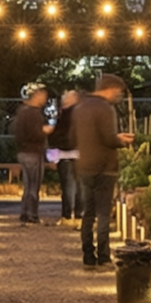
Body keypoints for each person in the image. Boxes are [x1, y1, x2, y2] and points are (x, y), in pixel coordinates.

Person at [71, 73, 136, 269]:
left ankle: (88, 256)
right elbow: (108, 139)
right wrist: (122, 140)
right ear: (109, 88)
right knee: (103, 214)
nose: (119, 96)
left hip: (84, 166)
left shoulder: (80, 108)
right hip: (105, 168)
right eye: (118, 92)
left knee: (87, 214)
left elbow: (76, 136)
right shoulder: (105, 109)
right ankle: (104, 257)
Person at [10, 85, 51, 225]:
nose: (44, 99)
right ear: (37, 97)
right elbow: (36, 134)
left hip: (22, 152)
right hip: (33, 152)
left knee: (28, 185)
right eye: (43, 96)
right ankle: (31, 214)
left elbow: (15, 131)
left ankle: (25, 212)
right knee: (34, 185)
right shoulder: (34, 114)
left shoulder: (21, 112)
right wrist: (45, 131)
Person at [51, 89, 83, 226]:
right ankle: (79, 215)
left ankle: (67, 216)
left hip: (65, 154)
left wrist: (52, 156)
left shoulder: (63, 116)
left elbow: (55, 136)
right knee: (80, 187)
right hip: (80, 154)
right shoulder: (82, 114)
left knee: (68, 186)